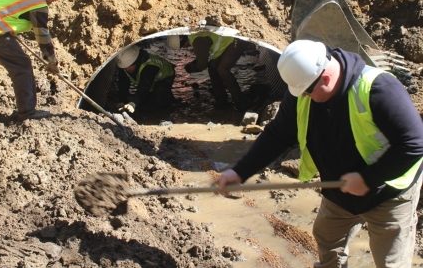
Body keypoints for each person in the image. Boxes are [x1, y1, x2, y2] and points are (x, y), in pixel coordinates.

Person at [215, 39, 423, 267]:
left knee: (391, 262)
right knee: (327, 240)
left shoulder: (378, 89)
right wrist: (240, 172)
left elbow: (415, 143)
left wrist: (368, 179)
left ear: (325, 79)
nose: (302, 96)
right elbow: (277, 135)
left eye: (306, 92)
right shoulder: (303, 91)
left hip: (388, 192)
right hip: (339, 191)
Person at [167, 33, 250, 112]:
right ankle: (221, 101)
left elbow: (202, 64)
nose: (184, 47)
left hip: (236, 41)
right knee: (212, 66)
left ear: (182, 40)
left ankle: (241, 102)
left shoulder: (198, 41)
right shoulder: (195, 38)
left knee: (223, 69)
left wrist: (193, 68)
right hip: (227, 44)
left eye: (182, 45)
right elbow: (207, 58)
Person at [116, 45, 175, 114]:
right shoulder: (125, 66)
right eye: (125, 67)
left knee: (158, 99)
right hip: (150, 80)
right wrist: (122, 101)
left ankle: (168, 100)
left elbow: (144, 86)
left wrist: (133, 103)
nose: (127, 69)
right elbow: (123, 83)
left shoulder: (149, 67)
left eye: (129, 66)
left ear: (136, 62)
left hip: (165, 76)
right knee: (144, 103)